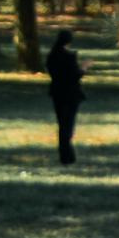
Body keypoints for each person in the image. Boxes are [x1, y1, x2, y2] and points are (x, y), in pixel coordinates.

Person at [46, 31, 84, 167]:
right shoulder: (70, 57)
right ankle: (67, 155)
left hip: (57, 93)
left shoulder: (51, 56)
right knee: (68, 125)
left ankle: (65, 154)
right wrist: (84, 68)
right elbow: (75, 75)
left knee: (62, 123)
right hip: (71, 94)